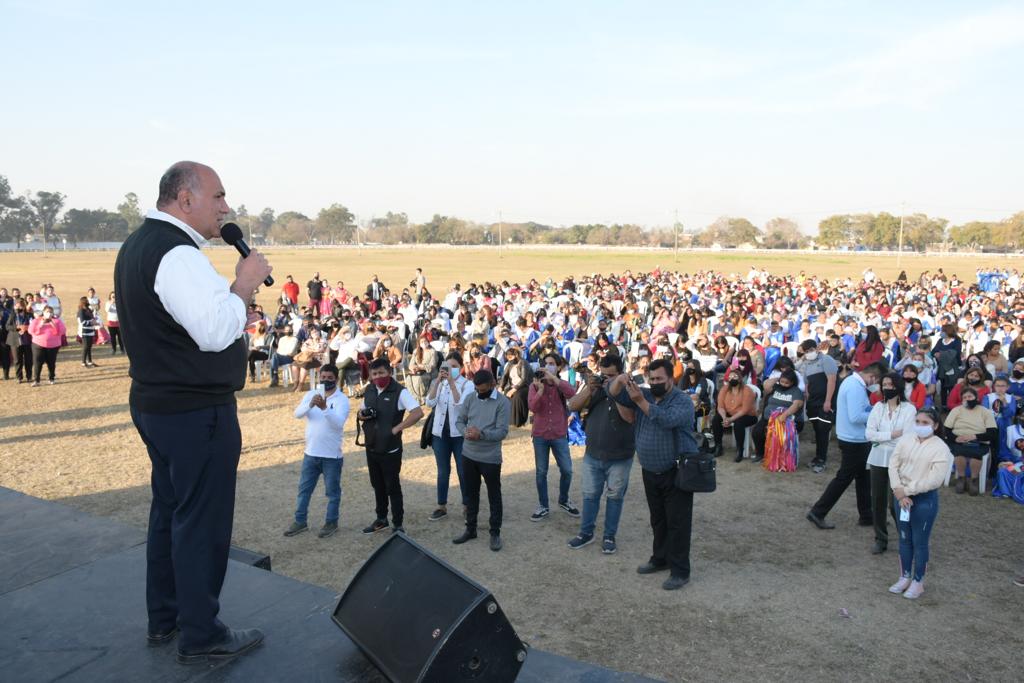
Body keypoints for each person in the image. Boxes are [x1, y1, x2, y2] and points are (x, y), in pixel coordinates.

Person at [113, 161, 272, 663]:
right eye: (219, 197)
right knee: (201, 522)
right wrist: (244, 283)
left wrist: (229, 307)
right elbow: (210, 332)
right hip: (194, 412)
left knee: (171, 513)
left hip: (159, 404)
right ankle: (202, 636)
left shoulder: (140, 244)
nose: (226, 208)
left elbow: (192, 323)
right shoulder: (178, 254)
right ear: (186, 200)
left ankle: (165, 619)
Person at [612, 358, 697, 591]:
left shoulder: (682, 401)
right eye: (652, 379)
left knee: (678, 523)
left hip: (676, 471)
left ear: (671, 378)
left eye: (660, 379)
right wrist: (619, 380)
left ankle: (680, 571)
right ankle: (660, 558)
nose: (656, 382)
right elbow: (615, 395)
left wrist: (640, 401)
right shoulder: (646, 394)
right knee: (658, 519)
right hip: (650, 470)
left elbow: (666, 419)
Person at [565, 354, 635, 554]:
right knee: (590, 495)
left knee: (614, 497)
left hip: (621, 455)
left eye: (611, 376)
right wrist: (590, 387)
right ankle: (586, 533)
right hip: (593, 453)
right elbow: (572, 406)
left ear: (620, 374)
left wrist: (615, 391)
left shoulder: (630, 389)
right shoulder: (595, 388)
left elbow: (630, 418)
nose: (606, 379)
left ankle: (609, 536)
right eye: (603, 375)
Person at [807, 362, 885, 530]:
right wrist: (877, 412)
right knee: (844, 478)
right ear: (873, 377)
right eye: (877, 381)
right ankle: (818, 511)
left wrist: (871, 409)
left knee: (863, 477)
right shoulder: (855, 387)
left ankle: (866, 515)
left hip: (854, 438)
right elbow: (856, 416)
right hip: (853, 439)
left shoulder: (852, 382)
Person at [887, 409, 952, 599]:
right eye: (918, 421)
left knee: (920, 541)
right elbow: (893, 464)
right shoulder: (906, 440)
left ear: (936, 426)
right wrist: (898, 491)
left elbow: (934, 480)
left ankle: (918, 581)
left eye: (925, 423)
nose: (920, 426)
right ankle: (904, 576)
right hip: (901, 496)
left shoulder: (941, 448)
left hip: (923, 500)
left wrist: (906, 491)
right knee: (904, 538)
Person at [356, 357, 423, 534]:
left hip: (390, 449)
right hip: (372, 446)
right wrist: (362, 415)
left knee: (392, 487)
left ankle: (398, 524)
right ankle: (381, 519)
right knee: (377, 485)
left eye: (381, 373)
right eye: (374, 373)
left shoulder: (400, 392)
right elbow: (361, 411)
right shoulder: (370, 389)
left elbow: (417, 413)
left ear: (389, 372)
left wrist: (397, 429)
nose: (378, 377)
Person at [282, 364, 349, 539]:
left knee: (332, 493)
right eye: (323, 377)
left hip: (331, 456)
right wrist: (310, 405)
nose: (326, 381)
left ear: (336, 378)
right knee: (304, 490)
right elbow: (297, 414)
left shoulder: (342, 400)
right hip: (310, 453)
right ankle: (300, 521)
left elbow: (339, 424)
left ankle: (331, 522)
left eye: (329, 378)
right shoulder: (311, 394)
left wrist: (325, 408)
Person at [452, 369, 511, 551]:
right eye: (477, 390)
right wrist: (465, 432)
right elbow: (459, 421)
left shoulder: (502, 402)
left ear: (492, 384)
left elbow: (502, 432)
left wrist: (481, 434)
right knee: (471, 493)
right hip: (468, 455)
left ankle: (495, 533)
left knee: (494, 495)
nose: (479, 393)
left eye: (483, 390)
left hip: (490, 458)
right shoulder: (470, 397)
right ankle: (471, 529)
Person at [865, 373, 917, 555]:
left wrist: (883, 437)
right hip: (878, 458)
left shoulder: (909, 409)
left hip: (899, 460)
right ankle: (880, 538)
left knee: (896, 501)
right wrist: (891, 435)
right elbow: (869, 434)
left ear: (898, 386)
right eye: (884, 384)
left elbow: (908, 436)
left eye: (890, 384)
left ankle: (907, 535)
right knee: (877, 500)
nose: (887, 387)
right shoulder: (878, 407)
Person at [528, 352, 579, 521]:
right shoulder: (534, 385)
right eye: (546, 363)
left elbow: (572, 393)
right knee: (541, 472)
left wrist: (554, 379)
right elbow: (533, 408)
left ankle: (563, 499)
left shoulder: (561, 384)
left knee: (567, 470)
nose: (548, 366)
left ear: (558, 367)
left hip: (558, 433)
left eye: (552, 363)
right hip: (540, 434)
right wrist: (541, 390)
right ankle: (543, 505)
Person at [425, 353, 471, 521]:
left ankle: (467, 505)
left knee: (462, 471)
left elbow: (461, 406)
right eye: (447, 366)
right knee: (443, 471)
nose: (449, 370)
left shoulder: (467, 385)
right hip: (440, 433)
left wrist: (452, 384)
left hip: (459, 434)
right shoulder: (440, 383)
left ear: (461, 367)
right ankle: (441, 506)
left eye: (453, 366)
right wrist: (437, 381)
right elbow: (429, 402)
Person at [943, 386, 998, 495]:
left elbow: (993, 433)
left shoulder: (985, 412)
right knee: (959, 452)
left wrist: (975, 436)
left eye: (970, 396)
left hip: (979, 441)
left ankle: (974, 480)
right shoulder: (956, 410)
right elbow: (947, 429)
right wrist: (956, 438)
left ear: (976, 398)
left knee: (976, 454)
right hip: (959, 440)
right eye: (965, 397)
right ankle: (961, 478)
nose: (968, 399)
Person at [795, 339, 838, 473]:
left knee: (823, 429)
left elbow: (832, 380)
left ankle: (821, 459)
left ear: (816, 348)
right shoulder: (807, 363)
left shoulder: (826, 360)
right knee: (817, 429)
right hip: (813, 401)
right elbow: (807, 382)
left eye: (810, 350)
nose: (808, 353)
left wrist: (828, 400)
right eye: (805, 352)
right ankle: (818, 457)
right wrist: (808, 394)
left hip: (824, 401)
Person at [750, 368, 804, 463]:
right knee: (757, 432)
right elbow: (766, 385)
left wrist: (784, 415)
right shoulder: (776, 387)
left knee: (776, 434)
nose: (783, 384)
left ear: (792, 382)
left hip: (785, 421)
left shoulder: (796, 391)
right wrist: (778, 378)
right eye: (782, 382)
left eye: (786, 383)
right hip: (768, 418)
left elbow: (796, 405)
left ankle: (779, 458)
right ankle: (761, 454)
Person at [712, 367, 759, 462]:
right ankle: (718, 446)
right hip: (730, 414)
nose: (732, 378)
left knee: (738, 423)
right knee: (716, 419)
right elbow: (720, 407)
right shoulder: (725, 389)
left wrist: (730, 419)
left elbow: (744, 410)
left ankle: (740, 450)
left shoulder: (747, 390)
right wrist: (725, 418)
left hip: (748, 416)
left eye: (735, 376)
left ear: (740, 378)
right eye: (730, 377)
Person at [28, 305, 65, 386]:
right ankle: (36, 380)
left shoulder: (57, 321)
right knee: (38, 363)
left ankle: (51, 378)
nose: (49, 313)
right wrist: (40, 324)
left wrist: (53, 324)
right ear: (43, 312)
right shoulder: (36, 320)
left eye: (50, 312)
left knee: (51, 363)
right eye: (47, 311)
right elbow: (30, 331)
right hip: (38, 345)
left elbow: (62, 332)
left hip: (53, 346)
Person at [77, 296, 99, 368]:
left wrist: (95, 320)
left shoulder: (88, 309)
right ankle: (83, 362)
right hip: (84, 331)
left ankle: (90, 361)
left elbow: (92, 318)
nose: (88, 302)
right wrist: (91, 322)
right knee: (85, 347)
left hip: (90, 330)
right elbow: (82, 322)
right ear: (83, 302)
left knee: (89, 347)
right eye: (86, 301)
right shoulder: (81, 311)